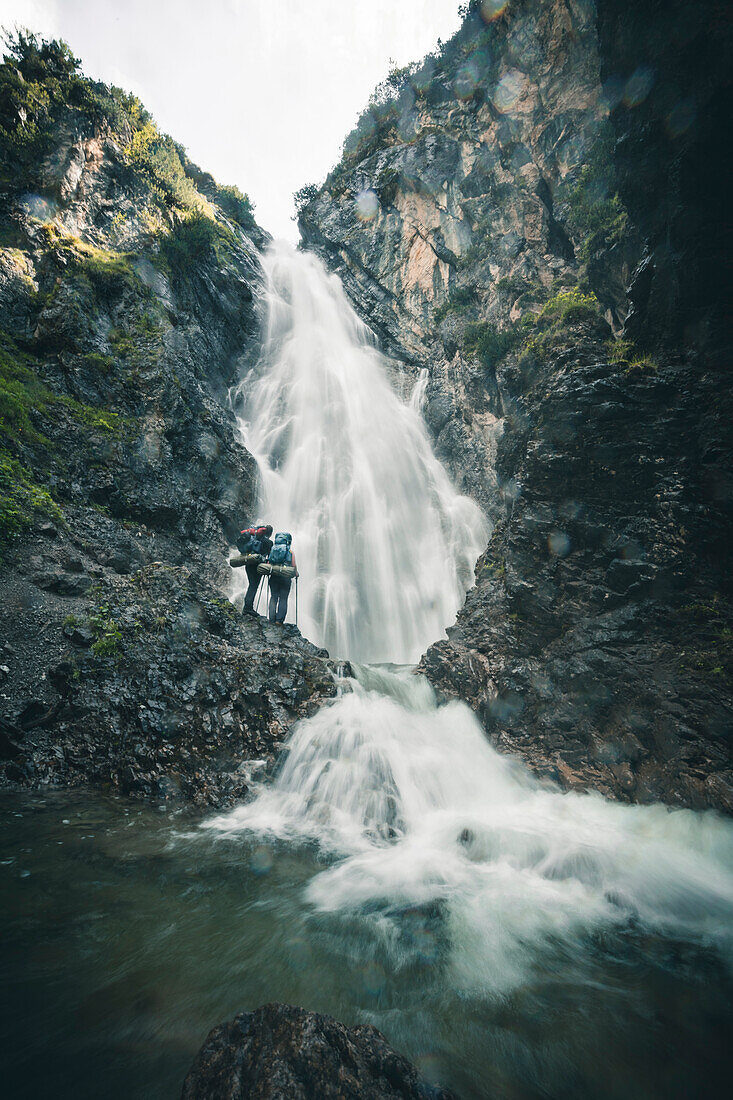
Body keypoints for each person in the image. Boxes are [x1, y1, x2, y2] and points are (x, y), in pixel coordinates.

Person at [239, 524, 273, 615]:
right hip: (258, 566)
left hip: (249, 563)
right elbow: (270, 557)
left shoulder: (255, 539)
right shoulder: (269, 543)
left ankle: (248, 607)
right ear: (270, 534)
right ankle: (248, 608)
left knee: (251, 585)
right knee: (254, 586)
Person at [267, 532, 298, 624]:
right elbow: (293, 565)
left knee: (273, 597)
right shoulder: (290, 552)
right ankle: (279, 620)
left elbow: (269, 563)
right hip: (285, 578)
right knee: (283, 598)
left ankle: (272, 618)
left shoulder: (273, 550)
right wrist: (296, 573)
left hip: (274, 577)